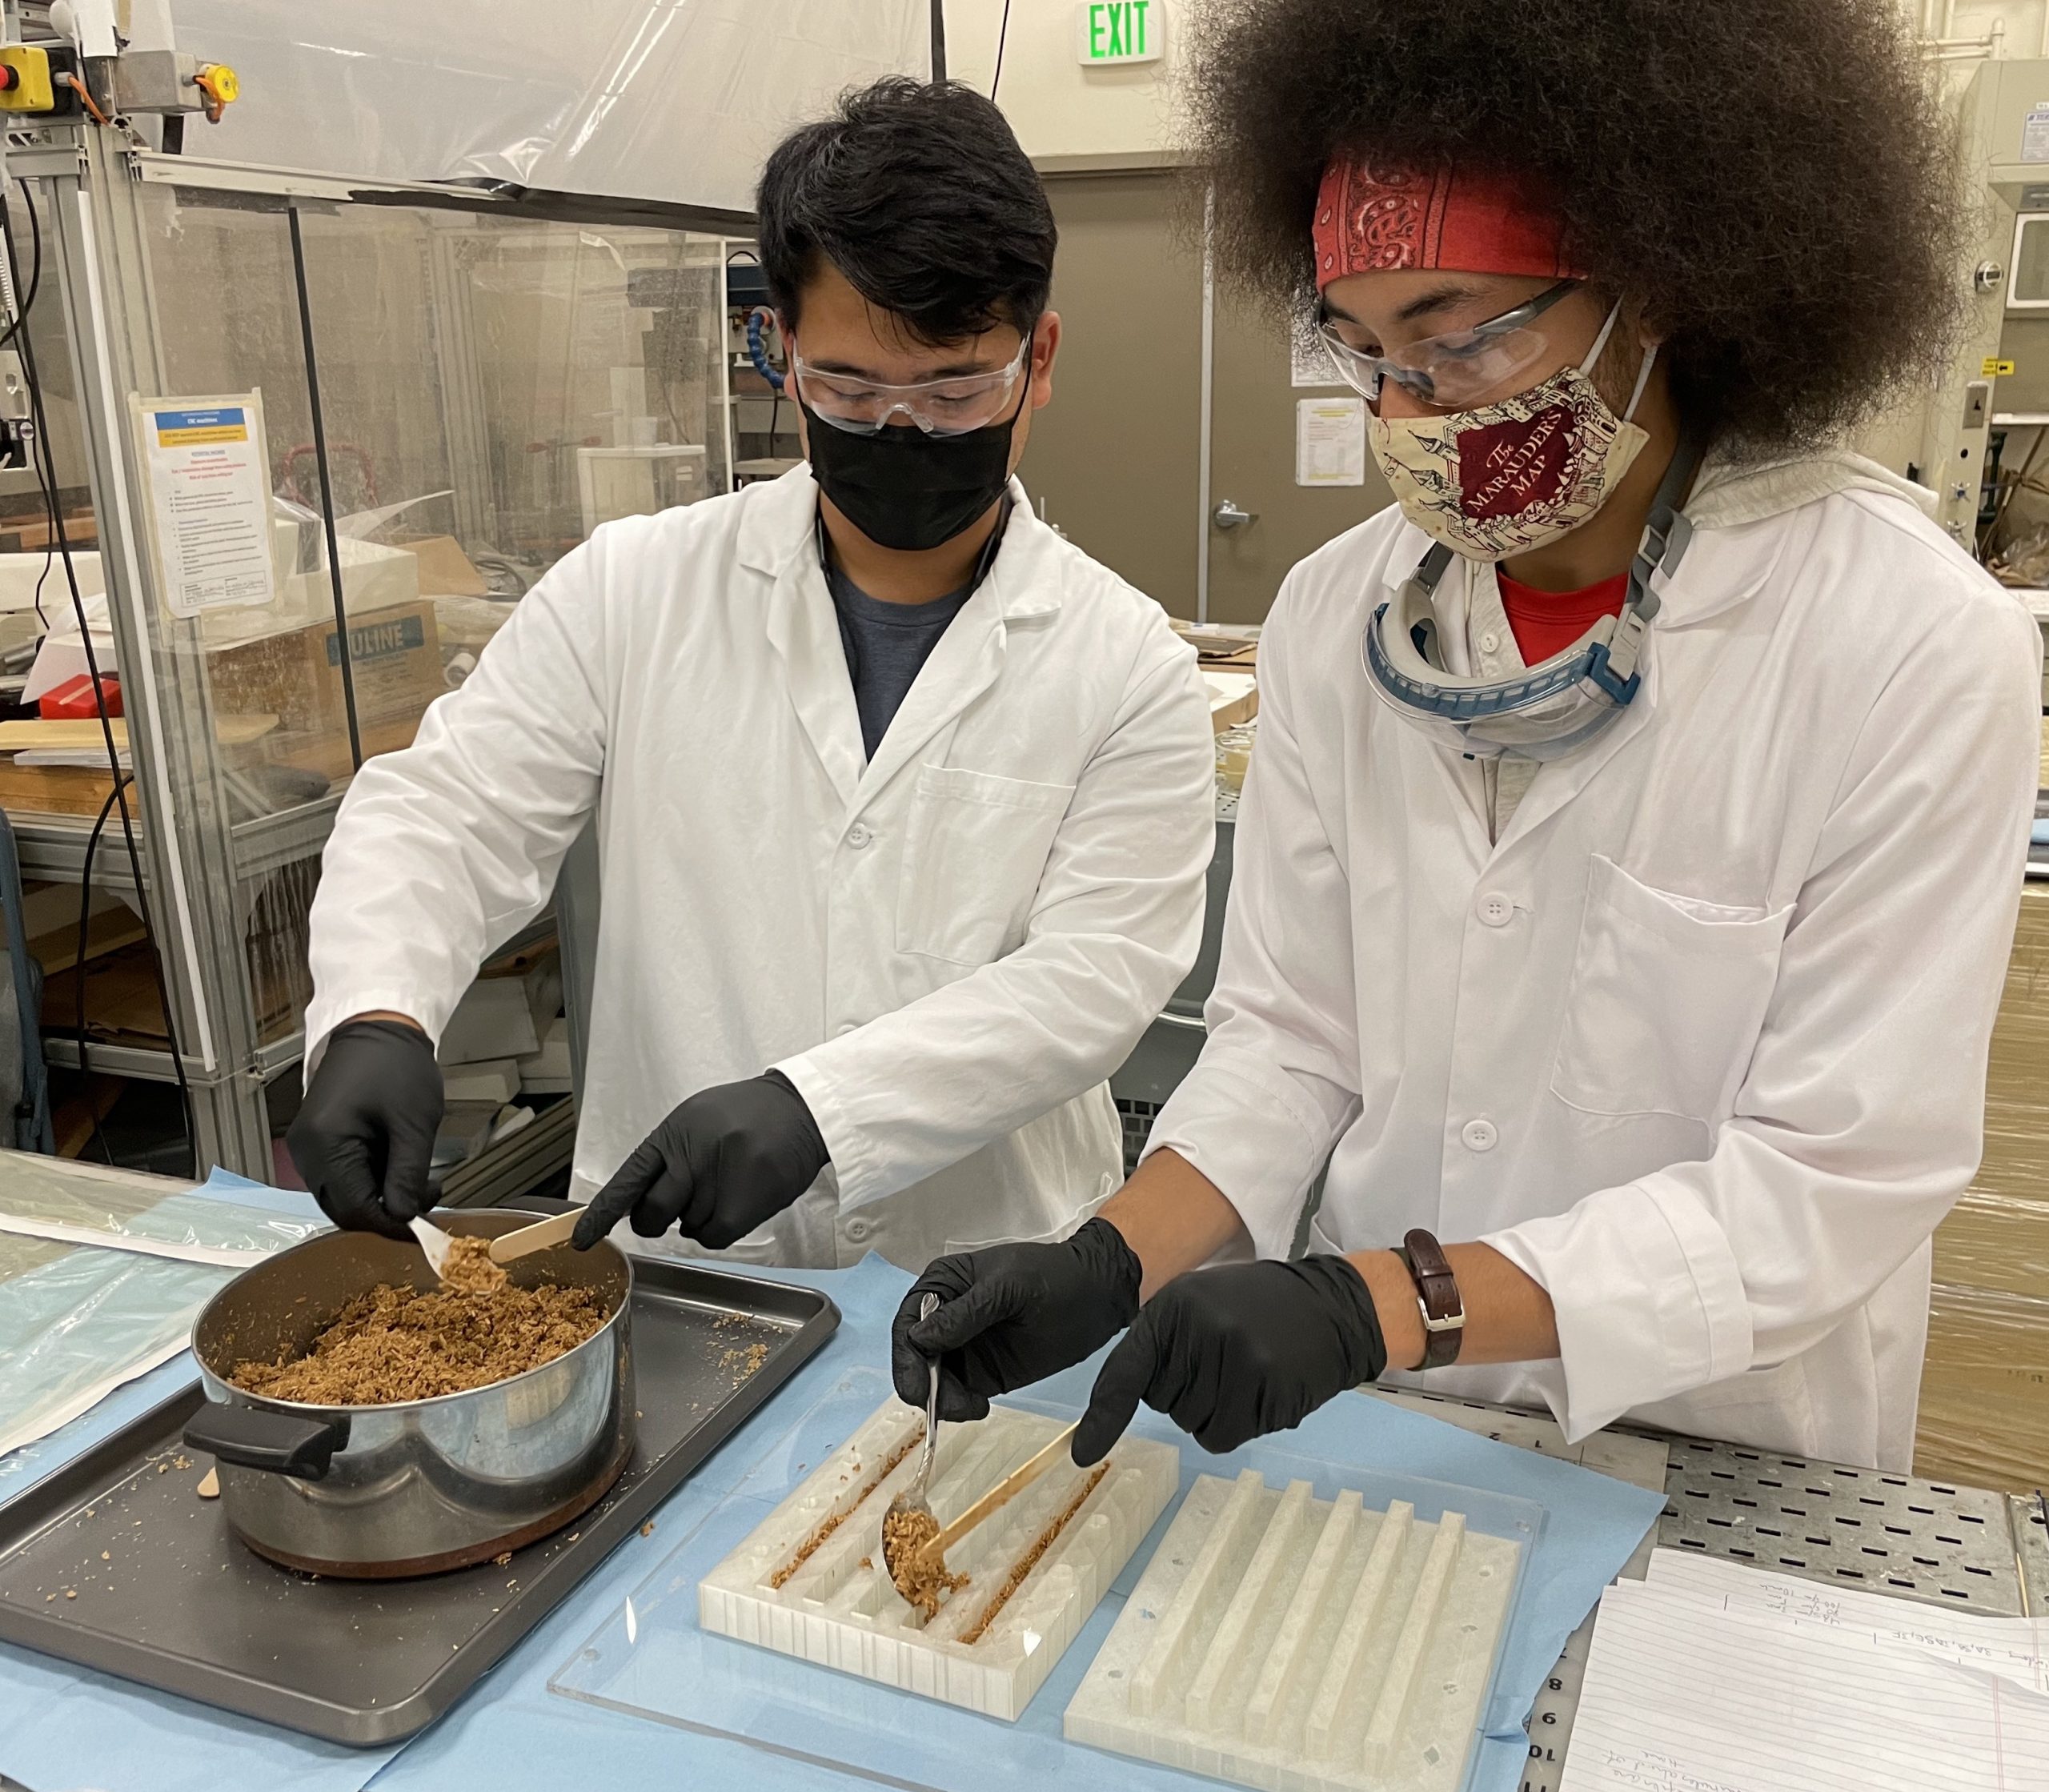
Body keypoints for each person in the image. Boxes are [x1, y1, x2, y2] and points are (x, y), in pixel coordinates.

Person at [893, 0, 2042, 1471]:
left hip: (1711, 1430)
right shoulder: (1339, 613)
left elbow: (1834, 1178)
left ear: (1658, 287)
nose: (1407, 408)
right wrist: (1111, 1257)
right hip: (1388, 1418)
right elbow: (1295, 1035)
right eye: (1363, 350)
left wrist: (1388, 1302)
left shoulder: (1906, 640)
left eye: (1457, 342)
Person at [290, 78, 1215, 1269]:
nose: (902, 430)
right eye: (849, 388)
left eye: (953, 390)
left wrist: (822, 1108)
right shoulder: (631, 591)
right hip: (682, 1271)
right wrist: (376, 1010)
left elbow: (1095, 978)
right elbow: (447, 813)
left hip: (982, 1277)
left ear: (1038, 358)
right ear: (779, 349)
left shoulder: (1126, 663)